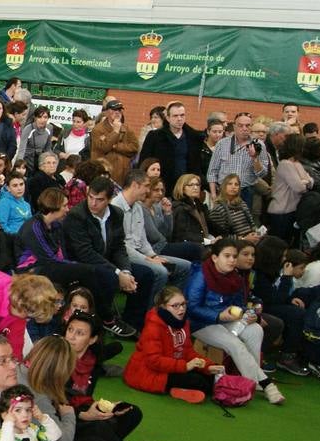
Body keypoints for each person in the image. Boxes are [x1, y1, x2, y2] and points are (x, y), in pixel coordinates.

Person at [185, 238, 283, 404]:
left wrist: (250, 314)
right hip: (201, 323)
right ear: (215, 257)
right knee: (234, 344)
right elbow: (191, 308)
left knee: (255, 330)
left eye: (234, 256)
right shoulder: (201, 275)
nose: (232, 260)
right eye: (227, 256)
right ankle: (266, 384)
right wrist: (219, 316)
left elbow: (239, 305)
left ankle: (252, 378)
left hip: (226, 320)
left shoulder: (235, 277)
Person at [63, 177, 152, 334]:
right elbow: (85, 253)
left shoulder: (117, 213)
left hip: (106, 262)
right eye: (90, 197)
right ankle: (107, 320)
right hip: (83, 265)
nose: (93, 203)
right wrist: (117, 273)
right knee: (109, 277)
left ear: (110, 199)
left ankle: (133, 323)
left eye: (99, 200)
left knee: (146, 274)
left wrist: (125, 271)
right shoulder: (77, 216)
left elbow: (118, 246)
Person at [123, 288, 221, 403]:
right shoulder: (153, 326)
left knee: (210, 377)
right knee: (200, 382)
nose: (182, 309)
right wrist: (185, 366)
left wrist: (207, 366)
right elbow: (153, 361)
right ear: (163, 307)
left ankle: (181, 389)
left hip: (171, 366)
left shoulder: (183, 322)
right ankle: (175, 389)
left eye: (184, 304)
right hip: (148, 373)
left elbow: (188, 352)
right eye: (175, 306)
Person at [90, 99, 139, 185]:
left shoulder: (127, 128)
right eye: (114, 110)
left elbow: (135, 147)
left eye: (119, 110)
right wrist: (115, 131)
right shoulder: (98, 129)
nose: (117, 112)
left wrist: (116, 147)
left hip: (123, 174)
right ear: (106, 112)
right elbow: (104, 148)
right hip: (104, 173)